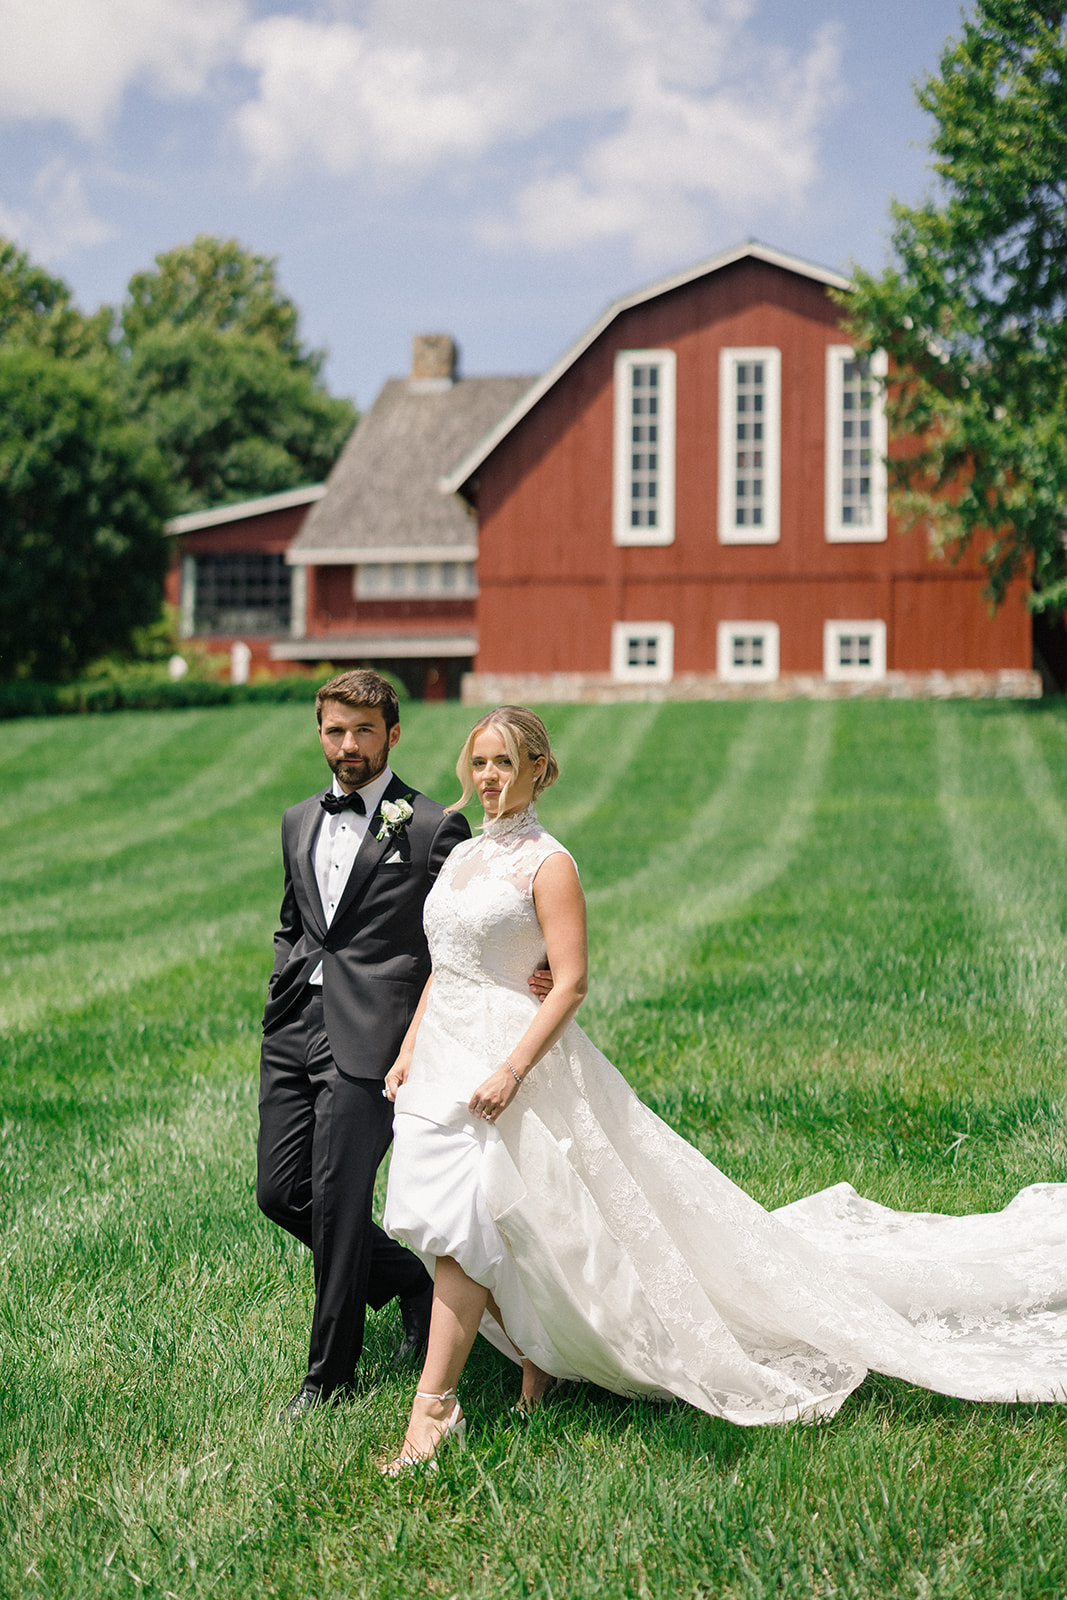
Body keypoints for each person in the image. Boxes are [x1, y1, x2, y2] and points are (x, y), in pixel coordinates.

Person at [380, 705, 1067, 1471]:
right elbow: (445, 963)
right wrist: (409, 1049)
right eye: (478, 762)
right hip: (441, 1060)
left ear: (539, 768)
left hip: (512, 1061)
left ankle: (433, 1413)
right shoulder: (465, 855)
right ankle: (536, 1361)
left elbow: (569, 982)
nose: (488, 777)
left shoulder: (548, 862)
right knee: (497, 1225)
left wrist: (512, 1069)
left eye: (504, 762)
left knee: (472, 1228)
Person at [256, 669, 472, 1417]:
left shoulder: (429, 824)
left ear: (392, 735)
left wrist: (533, 966)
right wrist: (282, 987)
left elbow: (462, 930)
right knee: (281, 1194)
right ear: (320, 733)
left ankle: (328, 1378)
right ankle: (407, 1281)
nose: (347, 746)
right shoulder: (296, 820)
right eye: (334, 731)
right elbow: (296, 921)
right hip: (293, 1028)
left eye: (363, 733)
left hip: (375, 1035)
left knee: (341, 1204)